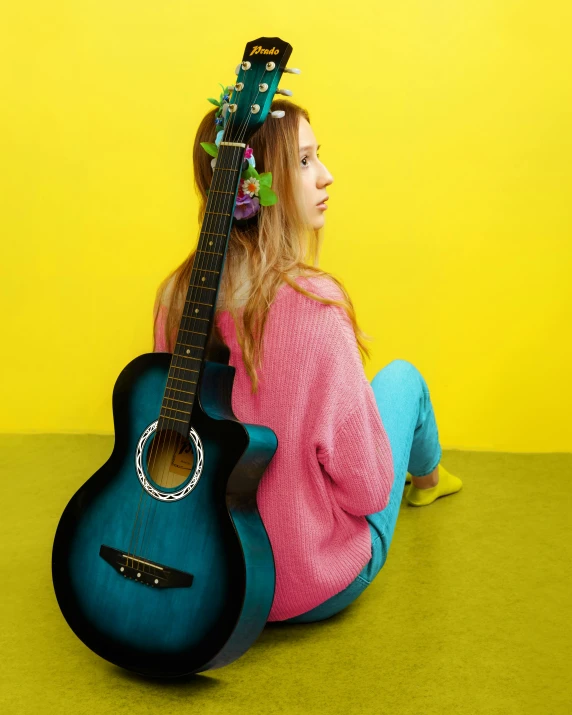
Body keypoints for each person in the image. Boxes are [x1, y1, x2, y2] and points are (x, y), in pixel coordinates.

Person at [153, 97, 463, 624]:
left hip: (213, 579)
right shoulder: (317, 305)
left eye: (320, 156)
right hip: (311, 587)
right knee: (403, 379)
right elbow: (366, 489)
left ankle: (427, 473)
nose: (327, 176)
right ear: (258, 183)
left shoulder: (177, 296)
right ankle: (430, 479)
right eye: (303, 161)